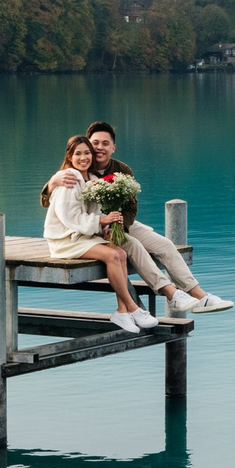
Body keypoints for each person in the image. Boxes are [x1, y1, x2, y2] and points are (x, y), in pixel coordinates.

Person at [83, 121, 234, 313]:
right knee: (135, 247)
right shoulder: (80, 167)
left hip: (122, 224)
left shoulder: (122, 170)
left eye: (105, 143)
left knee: (165, 245)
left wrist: (121, 226)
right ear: (88, 144)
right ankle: (171, 295)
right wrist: (52, 184)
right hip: (93, 229)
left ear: (113, 147)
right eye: (95, 143)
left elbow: (131, 207)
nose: (99, 148)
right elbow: (53, 200)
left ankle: (201, 296)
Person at [40, 134, 155, 333]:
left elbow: (94, 212)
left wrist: (109, 223)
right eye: (78, 154)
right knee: (112, 255)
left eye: (87, 153)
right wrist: (101, 221)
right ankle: (133, 307)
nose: (83, 158)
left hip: (83, 235)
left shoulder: (93, 180)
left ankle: (122, 311)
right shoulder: (69, 178)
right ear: (69, 156)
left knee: (120, 252)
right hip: (65, 239)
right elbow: (69, 216)